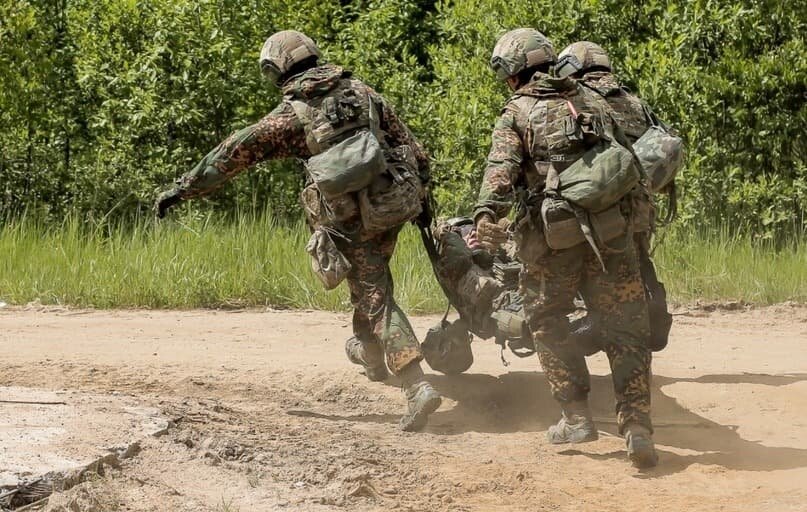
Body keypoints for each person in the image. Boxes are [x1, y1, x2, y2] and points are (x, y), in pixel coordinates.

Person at [155, 30, 441, 432]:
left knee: (374, 291)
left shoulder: (292, 116)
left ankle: (415, 384)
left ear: (275, 71)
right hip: (390, 205)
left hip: (347, 219)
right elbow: (411, 145)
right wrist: (424, 199)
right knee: (370, 278)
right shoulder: (362, 92)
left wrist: (182, 189)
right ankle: (373, 356)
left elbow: (232, 153)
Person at [472, 28, 658, 467]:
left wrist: (485, 215)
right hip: (612, 235)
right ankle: (636, 426)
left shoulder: (518, 111)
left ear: (513, 72)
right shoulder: (594, 99)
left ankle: (576, 417)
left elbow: (501, 171)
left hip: (551, 242)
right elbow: (631, 164)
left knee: (545, 318)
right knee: (627, 328)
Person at [556, 41, 681, 352]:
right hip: (640, 208)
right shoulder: (636, 103)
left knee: (595, 268)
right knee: (637, 258)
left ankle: (595, 330)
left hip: (601, 210)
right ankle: (655, 312)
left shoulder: (579, 99)